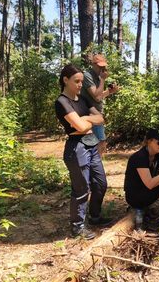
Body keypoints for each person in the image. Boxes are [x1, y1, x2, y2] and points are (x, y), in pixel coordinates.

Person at [55, 64, 112, 240]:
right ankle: (77, 228)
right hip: (76, 147)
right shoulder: (62, 102)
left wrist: (85, 118)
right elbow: (78, 127)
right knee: (81, 189)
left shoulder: (83, 100)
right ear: (65, 80)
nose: (80, 85)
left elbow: (100, 118)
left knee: (100, 183)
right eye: (76, 81)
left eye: (81, 81)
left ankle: (95, 217)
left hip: (91, 143)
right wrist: (87, 121)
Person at [80, 54, 119, 157]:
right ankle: (96, 166)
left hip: (97, 114)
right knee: (101, 143)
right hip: (92, 115)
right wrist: (102, 79)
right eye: (100, 66)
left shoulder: (97, 77)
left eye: (104, 66)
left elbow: (99, 96)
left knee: (99, 144)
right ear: (93, 65)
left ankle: (95, 165)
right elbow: (96, 97)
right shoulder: (87, 76)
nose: (103, 69)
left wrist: (109, 92)